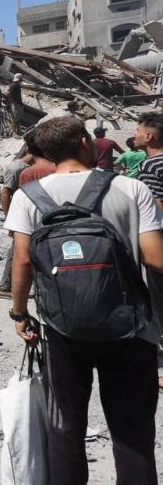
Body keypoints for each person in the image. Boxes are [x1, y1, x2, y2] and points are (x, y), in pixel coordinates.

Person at [6, 116, 163, 482]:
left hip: (63, 331)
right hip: (130, 329)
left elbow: (23, 261)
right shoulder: (131, 188)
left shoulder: (28, 197)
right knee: (132, 436)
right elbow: (156, 259)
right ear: (83, 142)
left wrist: (19, 313)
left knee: (66, 432)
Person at [0, 131, 53, 299]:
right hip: (24, 217)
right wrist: (10, 220)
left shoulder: (32, 169)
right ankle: (7, 286)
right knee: (17, 252)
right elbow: (5, 193)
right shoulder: (17, 168)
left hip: (32, 217)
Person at [134, 110, 163, 390]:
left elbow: (157, 208)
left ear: (149, 137)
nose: (135, 135)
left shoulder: (150, 166)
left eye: (137, 131)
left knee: (157, 301)